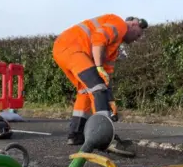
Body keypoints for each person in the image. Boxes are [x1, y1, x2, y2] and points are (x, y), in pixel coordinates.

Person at [52, 14, 148, 155]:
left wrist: (110, 100)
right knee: (98, 88)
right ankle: (104, 137)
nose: (136, 39)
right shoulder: (119, 23)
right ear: (133, 24)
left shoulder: (114, 48)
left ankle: (75, 135)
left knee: (86, 92)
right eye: (138, 35)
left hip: (64, 50)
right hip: (73, 48)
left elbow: (105, 76)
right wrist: (98, 67)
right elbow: (98, 38)